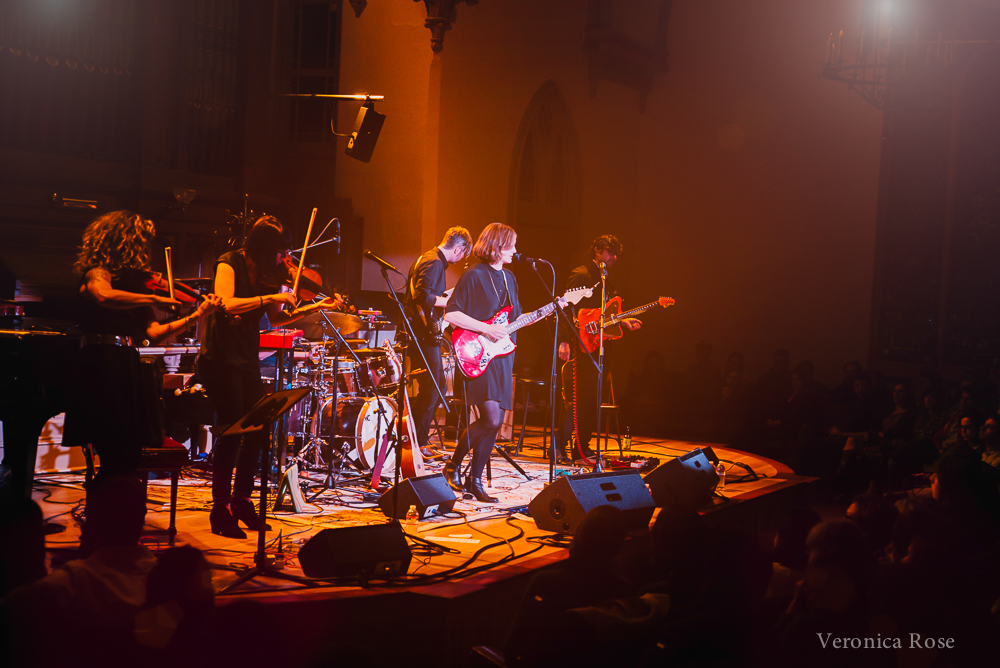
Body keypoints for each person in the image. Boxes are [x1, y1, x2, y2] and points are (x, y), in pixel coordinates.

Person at [197, 216, 343, 538]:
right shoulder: (229, 264)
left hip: (245, 358)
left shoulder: (269, 275)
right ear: (264, 249)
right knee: (232, 431)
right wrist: (272, 297)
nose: (284, 260)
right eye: (280, 253)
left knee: (258, 429)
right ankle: (219, 509)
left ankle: (242, 501)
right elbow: (227, 305)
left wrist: (317, 305)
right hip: (220, 358)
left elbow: (278, 318)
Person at [63, 210, 222, 480]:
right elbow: (102, 295)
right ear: (124, 242)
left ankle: (119, 514)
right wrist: (155, 300)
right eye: (141, 243)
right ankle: (107, 514)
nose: (145, 250)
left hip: (126, 363)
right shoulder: (98, 273)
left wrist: (196, 316)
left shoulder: (136, 287)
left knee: (129, 454)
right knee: (114, 449)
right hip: (101, 362)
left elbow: (155, 333)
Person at [442, 223, 521, 502]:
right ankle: (452, 465)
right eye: (511, 245)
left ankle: (475, 481)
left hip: (501, 356)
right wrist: (485, 329)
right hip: (477, 352)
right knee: (490, 418)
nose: (515, 250)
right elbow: (451, 314)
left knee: (495, 422)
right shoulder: (474, 274)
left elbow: (513, 320)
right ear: (498, 246)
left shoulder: (510, 278)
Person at [556, 235, 641, 461]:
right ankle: (558, 445)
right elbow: (564, 307)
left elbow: (604, 316)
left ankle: (581, 447)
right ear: (596, 251)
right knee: (582, 398)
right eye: (609, 252)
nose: (613, 257)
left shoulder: (605, 280)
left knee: (594, 399)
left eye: (616, 254)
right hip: (581, 344)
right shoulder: (582, 274)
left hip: (598, 345)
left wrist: (623, 322)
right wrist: (564, 340)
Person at [403, 227, 472, 457]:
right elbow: (420, 296)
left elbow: (424, 294)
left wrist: (443, 297)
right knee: (434, 388)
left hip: (419, 333)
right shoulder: (434, 262)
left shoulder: (428, 257)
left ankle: (411, 436)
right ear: (459, 249)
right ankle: (415, 441)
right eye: (463, 255)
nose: (461, 259)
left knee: (435, 387)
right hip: (421, 335)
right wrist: (446, 301)